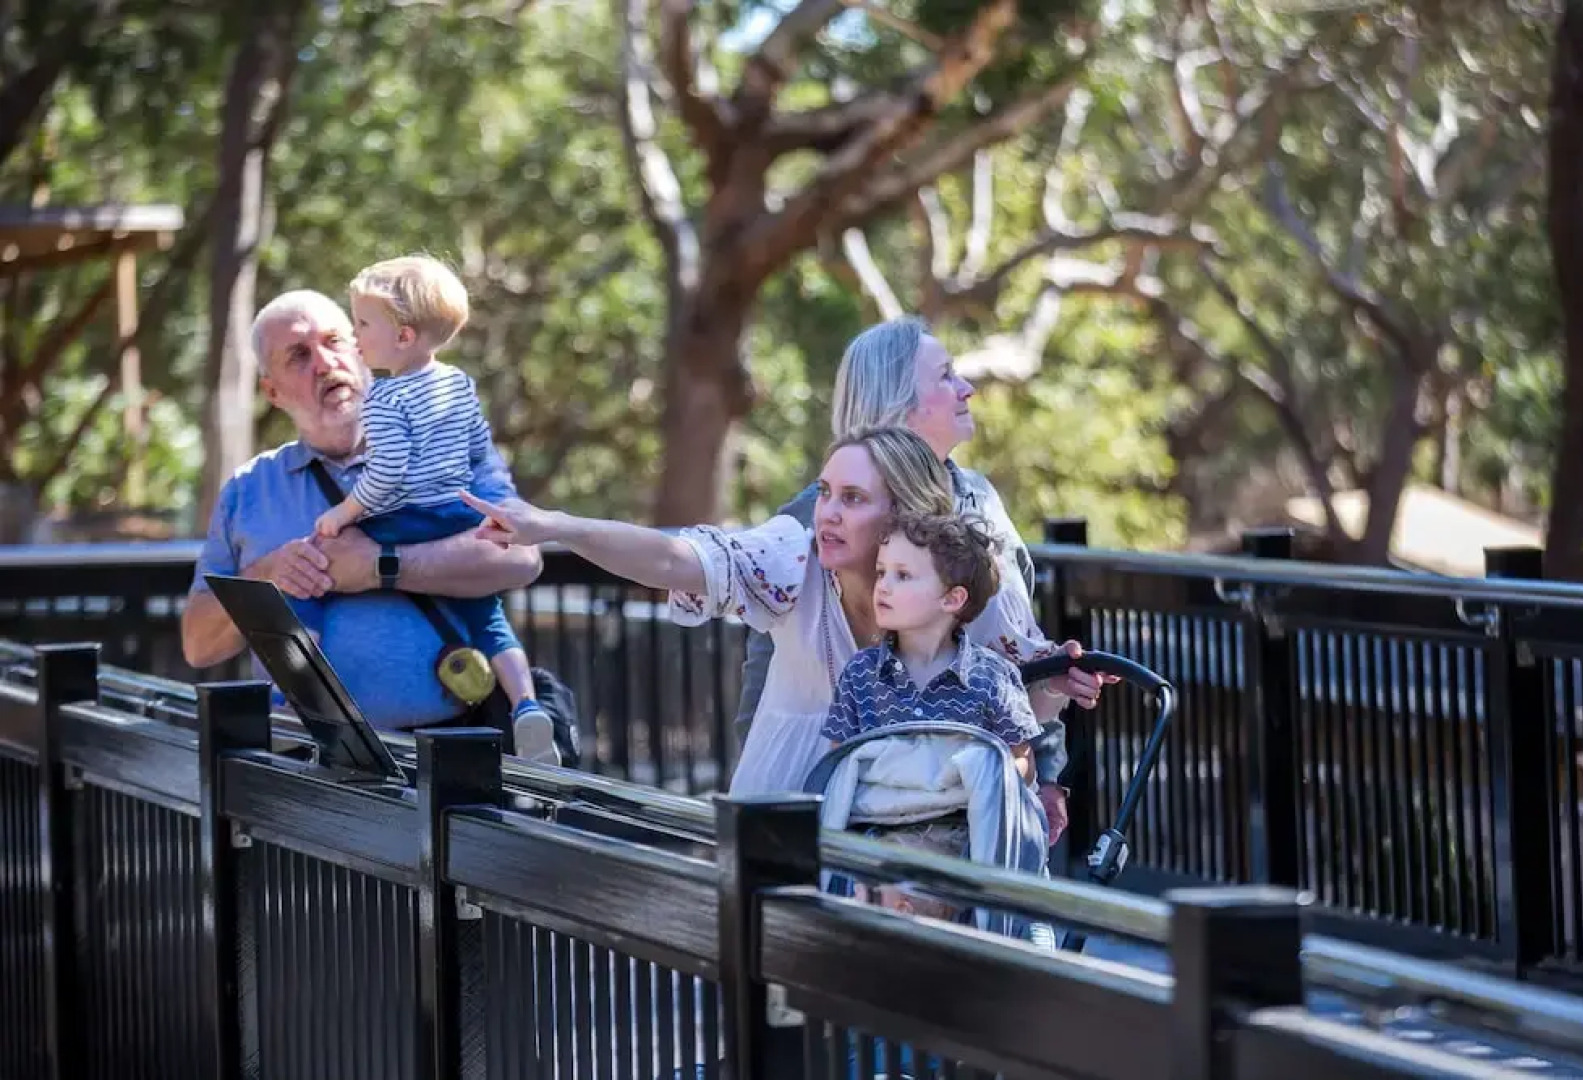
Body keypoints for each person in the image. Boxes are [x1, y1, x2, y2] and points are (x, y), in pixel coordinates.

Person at [460, 426, 1095, 801]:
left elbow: (1023, 699)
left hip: (918, 834)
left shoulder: (961, 587)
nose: (827, 514)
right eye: (824, 493)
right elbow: (672, 558)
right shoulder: (794, 560)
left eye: (852, 498)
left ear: (904, 515)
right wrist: (555, 526)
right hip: (790, 812)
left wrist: (1059, 684)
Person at [735, 316, 1103, 841]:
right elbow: (765, 685)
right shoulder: (812, 522)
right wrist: (760, 825)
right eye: (947, 376)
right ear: (900, 402)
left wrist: (1046, 770)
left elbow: (1017, 653)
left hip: (977, 805)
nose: (967, 388)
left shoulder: (982, 502)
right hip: (847, 810)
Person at [179, 288, 550, 749]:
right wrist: (268, 575)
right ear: (271, 390)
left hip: (457, 748)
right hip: (308, 761)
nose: (323, 363)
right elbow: (199, 646)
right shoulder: (248, 489)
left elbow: (523, 557)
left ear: (360, 349)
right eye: (298, 355)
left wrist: (381, 566)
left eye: (334, 341)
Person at [310, 255, 549, 749]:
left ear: (403, 336)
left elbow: (386, 475)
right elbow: (478, 442)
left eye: (362, 323)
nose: (355, 335)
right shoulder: (458, 382)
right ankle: (526, 703)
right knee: (488, 617)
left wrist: (345, 513)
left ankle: (285, 689)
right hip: (459, 512)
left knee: (316, 562)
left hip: (410, 516)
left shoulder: (386, 399)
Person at [822, 510, 1043, 921]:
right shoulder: (862, 674)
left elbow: (1021, 766)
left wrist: (965, 772)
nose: (882, 586)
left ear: (952, 598)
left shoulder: (991, 676)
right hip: (880, 832)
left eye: (902, 576)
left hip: (961, 836)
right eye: (882, 572)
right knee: (878, 887)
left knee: (949, 886)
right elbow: (841, 765)